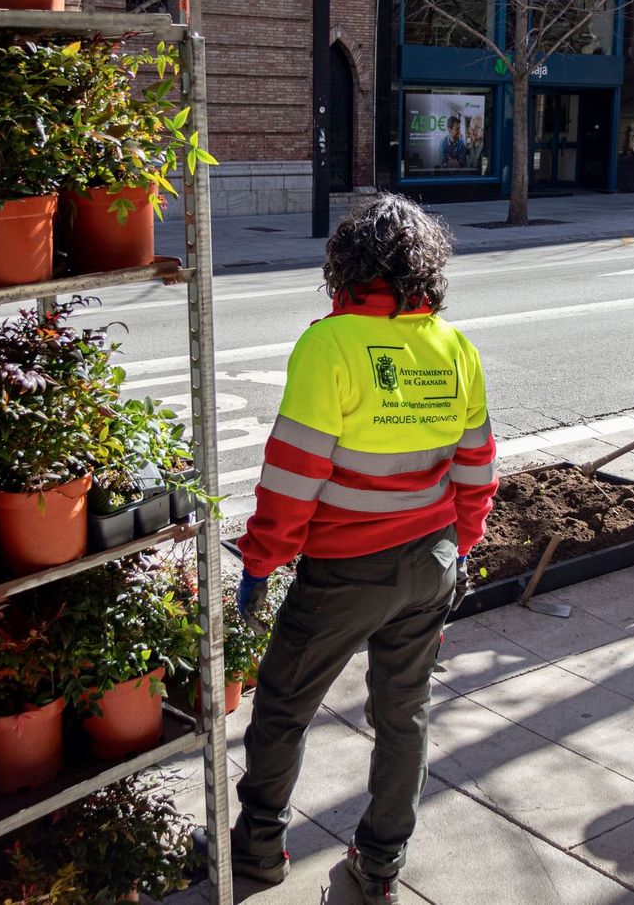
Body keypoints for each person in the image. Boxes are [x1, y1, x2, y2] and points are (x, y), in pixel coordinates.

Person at [227, 193, 498, 904]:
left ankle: (257, 852)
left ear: (345, 264)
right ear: (425, 269)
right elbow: (477, 468)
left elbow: (292, 478)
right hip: (431, 561)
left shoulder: (330, 344)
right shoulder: (455, 346)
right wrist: (462, 547)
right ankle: (380, 864)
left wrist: (261, 561)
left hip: (346, 571)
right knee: (403, 716)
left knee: (284, 708)